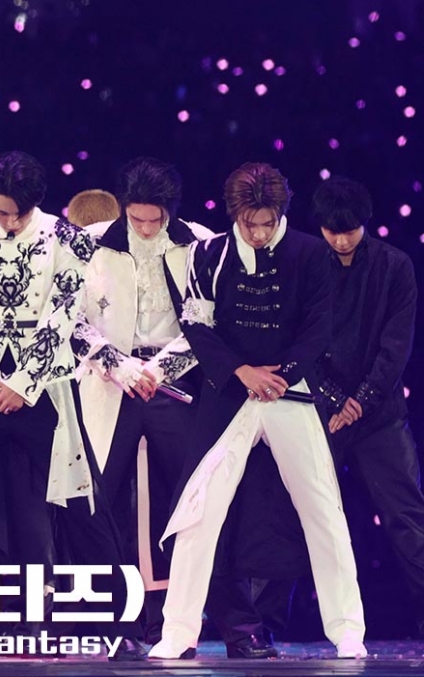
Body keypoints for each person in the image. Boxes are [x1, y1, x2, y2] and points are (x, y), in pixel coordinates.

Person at [0, 151, 133, 656]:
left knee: (84, 505)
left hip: (45, 391)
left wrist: (23, 384)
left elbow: (63, 316)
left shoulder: (67, 239)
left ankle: (122, 628)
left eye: (19, 213)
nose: (10, 222)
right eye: (1, 212)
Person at [149, 163, 367, 660]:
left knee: (322, 508)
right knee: (199, 512)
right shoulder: (208, 254)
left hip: (288, 390)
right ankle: (178, 631)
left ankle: (347, 628)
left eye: (268, 223)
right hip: (231, 393)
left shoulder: (310, 253)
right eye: (251, 223)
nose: (260, 232)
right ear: (235, 215)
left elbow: (318, 326)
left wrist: (282, 375)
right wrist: (241, 372)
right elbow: (196, 325)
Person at [73, 158, 213, 646]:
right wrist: (118, 365)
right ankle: (113, 620)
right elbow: (67, 317)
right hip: (110, 382)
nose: (148, 228)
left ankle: (180, 620)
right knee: (97, 499)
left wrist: (160, 369)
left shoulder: (199, 243)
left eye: (156, 219)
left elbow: (209, 319)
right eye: (138, 219)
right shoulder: (90, 242)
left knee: (190, 498)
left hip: (174, 385)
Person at [311, 176, 424, 638]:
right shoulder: (307, 263)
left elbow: (396, 347)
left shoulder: (395, 266)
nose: (341, 240)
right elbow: (299, 340)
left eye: (350, 230)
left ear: (366, 222)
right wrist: (334, 400)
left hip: (379, 416)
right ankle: (263, 627)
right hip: (320, 412)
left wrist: (359, 401)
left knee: (406, 518)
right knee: (296, 515)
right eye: (332, 231)